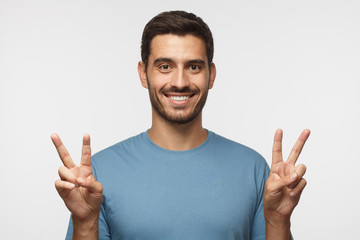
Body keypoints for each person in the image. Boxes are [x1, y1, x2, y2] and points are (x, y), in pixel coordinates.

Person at [51, 10, 310, 240]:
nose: (180, 81)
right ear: (143, 74)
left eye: (194, 67)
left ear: (211, 75)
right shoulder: (98, 173)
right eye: (165, 66)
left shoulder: (253, 168)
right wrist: (84, 223)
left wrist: (278, 219)